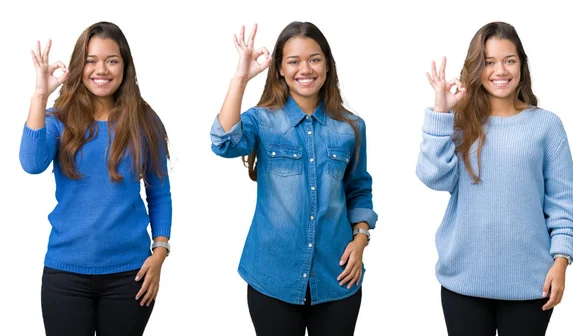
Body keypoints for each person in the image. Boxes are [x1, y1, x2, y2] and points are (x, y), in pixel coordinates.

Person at [210, 22, 377, 336]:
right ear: (280, 70)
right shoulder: (261, 120)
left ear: (327, 65)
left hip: (337, 279)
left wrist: (361, 240)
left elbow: (358, 190)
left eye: (314, 59)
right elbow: (223, 142)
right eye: (294, 61)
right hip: (272, 279)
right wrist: (241, 77)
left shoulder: (351, 127)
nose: (306, 69)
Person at [416, 21, 573, 336]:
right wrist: (441, 111)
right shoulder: (460, 123)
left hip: (531, 284)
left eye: (509, 60)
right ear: (477, 68)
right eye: (489, 62)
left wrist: (561, 262)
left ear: (521, 64)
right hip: (463, 281)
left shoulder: (546, 126)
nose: (500, 70)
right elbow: (432, 176)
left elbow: (563, 202)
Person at [19, 21, 172, 336]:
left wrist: (160, 253)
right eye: (91, 60)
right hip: (65, 274)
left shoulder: (144, 120)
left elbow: (159, 194)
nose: (101, 69)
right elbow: (32, 163)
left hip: (130, 277)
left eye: (111, 60)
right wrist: (39, 94)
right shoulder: (58, 118)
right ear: (79, 66)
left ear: (124, 66)